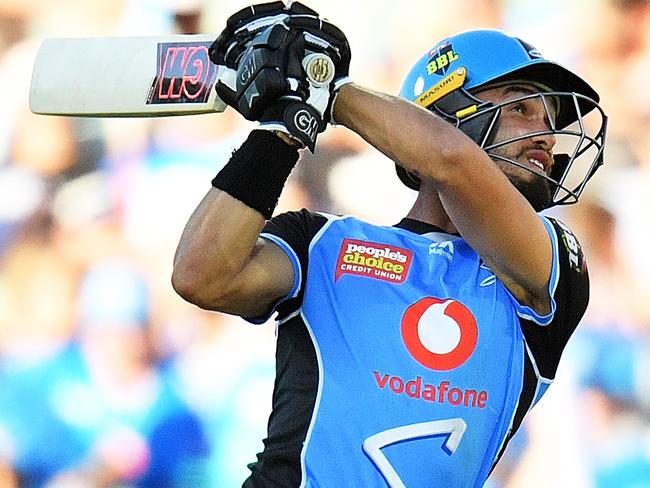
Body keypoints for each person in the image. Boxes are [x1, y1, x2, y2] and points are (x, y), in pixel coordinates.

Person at [172, 2, 608, 486]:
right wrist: (282, 129)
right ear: (445, 115)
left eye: (550, 119)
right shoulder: (319, 241)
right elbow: (201, 277)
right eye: (522, 107)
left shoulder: (553, 266)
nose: (547, 137)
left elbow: (451, 161)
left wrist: (326, 88)